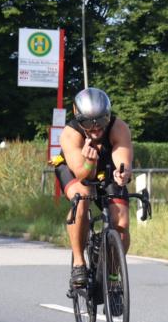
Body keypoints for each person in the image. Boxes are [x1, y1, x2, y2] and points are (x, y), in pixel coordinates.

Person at [53, 87, 133, 289]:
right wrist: (89, 162)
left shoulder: (119, 127)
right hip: (76, 168)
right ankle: (79, 263)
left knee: (121, 221)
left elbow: (122, 160)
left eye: (101, 122)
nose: (96, 129)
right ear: (79, 118)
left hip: (106, 167)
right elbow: (82, 173)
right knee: (82, 197)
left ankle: (113, 274)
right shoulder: (70, 134)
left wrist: (122, 173)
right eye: (89, 123)